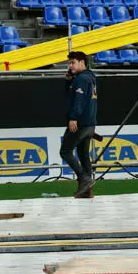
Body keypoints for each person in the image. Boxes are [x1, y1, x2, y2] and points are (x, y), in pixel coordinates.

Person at [60, 50, 99, 199]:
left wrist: (73, 118)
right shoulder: (90, 77)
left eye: (73, 62)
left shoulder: (82, 79)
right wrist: (69, 80)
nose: (70, 66)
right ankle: (87, 190)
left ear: (82, 62)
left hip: (80, 123)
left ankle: (85, 179)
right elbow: (71, 94)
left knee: (65, 151)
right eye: (69, 63)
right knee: (83, 155)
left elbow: (79, 100)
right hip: (90, 123)